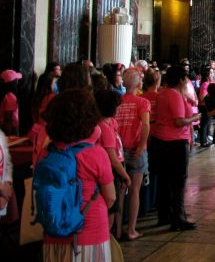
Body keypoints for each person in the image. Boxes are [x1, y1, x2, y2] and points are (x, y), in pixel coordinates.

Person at [42, 90, 116, 261]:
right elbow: (111, 197)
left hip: (53, 233)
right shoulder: (96, 154)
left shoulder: (46, 153)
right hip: (90, 233)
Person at [149, 66, 200, 231]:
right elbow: (179, 121)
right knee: (178, 181)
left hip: (160, 140)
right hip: (175, 141)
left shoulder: (162, 93)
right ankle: (178, 217)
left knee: (164, 180)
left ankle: (164, 214)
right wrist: (194, 117)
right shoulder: (175, 95)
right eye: (185, 79)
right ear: (180, 80)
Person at [114, 68, 151, 241]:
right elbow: (146, 124)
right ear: (137, 84)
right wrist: (142, 144)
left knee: (120, 191)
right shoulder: (142, 102)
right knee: (135, 190)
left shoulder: (117, 101)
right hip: (136, 150)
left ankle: (117, 229)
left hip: (118, 152)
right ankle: (131, 229)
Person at [93, 90, 130, 240]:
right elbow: (112, 158)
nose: (119, 108)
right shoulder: (104, 127)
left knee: (115, 208)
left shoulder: (110, 123)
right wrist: (125, 175)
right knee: (111, 208)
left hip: (116, 167)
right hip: (112, 170)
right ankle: (107, 238)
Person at [0, 69, 22, 136]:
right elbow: (8, 118)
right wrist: (9, 135)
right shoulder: (10, 97)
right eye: (16, 80)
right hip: (11, 129)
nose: (17, 82)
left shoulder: (6, 95)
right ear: (12, 83)